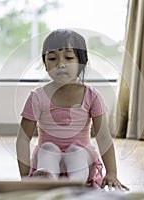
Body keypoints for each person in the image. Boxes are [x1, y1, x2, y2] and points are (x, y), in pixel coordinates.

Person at [16, 29, 129, 190]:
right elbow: (23, 139)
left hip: (80, 160)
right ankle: (47, 178)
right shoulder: (37, 96)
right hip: (48, 161)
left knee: (76, 151)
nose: (60, 64)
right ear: (45, 63)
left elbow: (103, 137)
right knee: (48, 148)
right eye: (52, 58)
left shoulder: (91, 96)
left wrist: (112, 172)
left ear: (81, 62)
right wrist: (25, 176)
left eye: (69, 58)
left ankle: (75, 182)